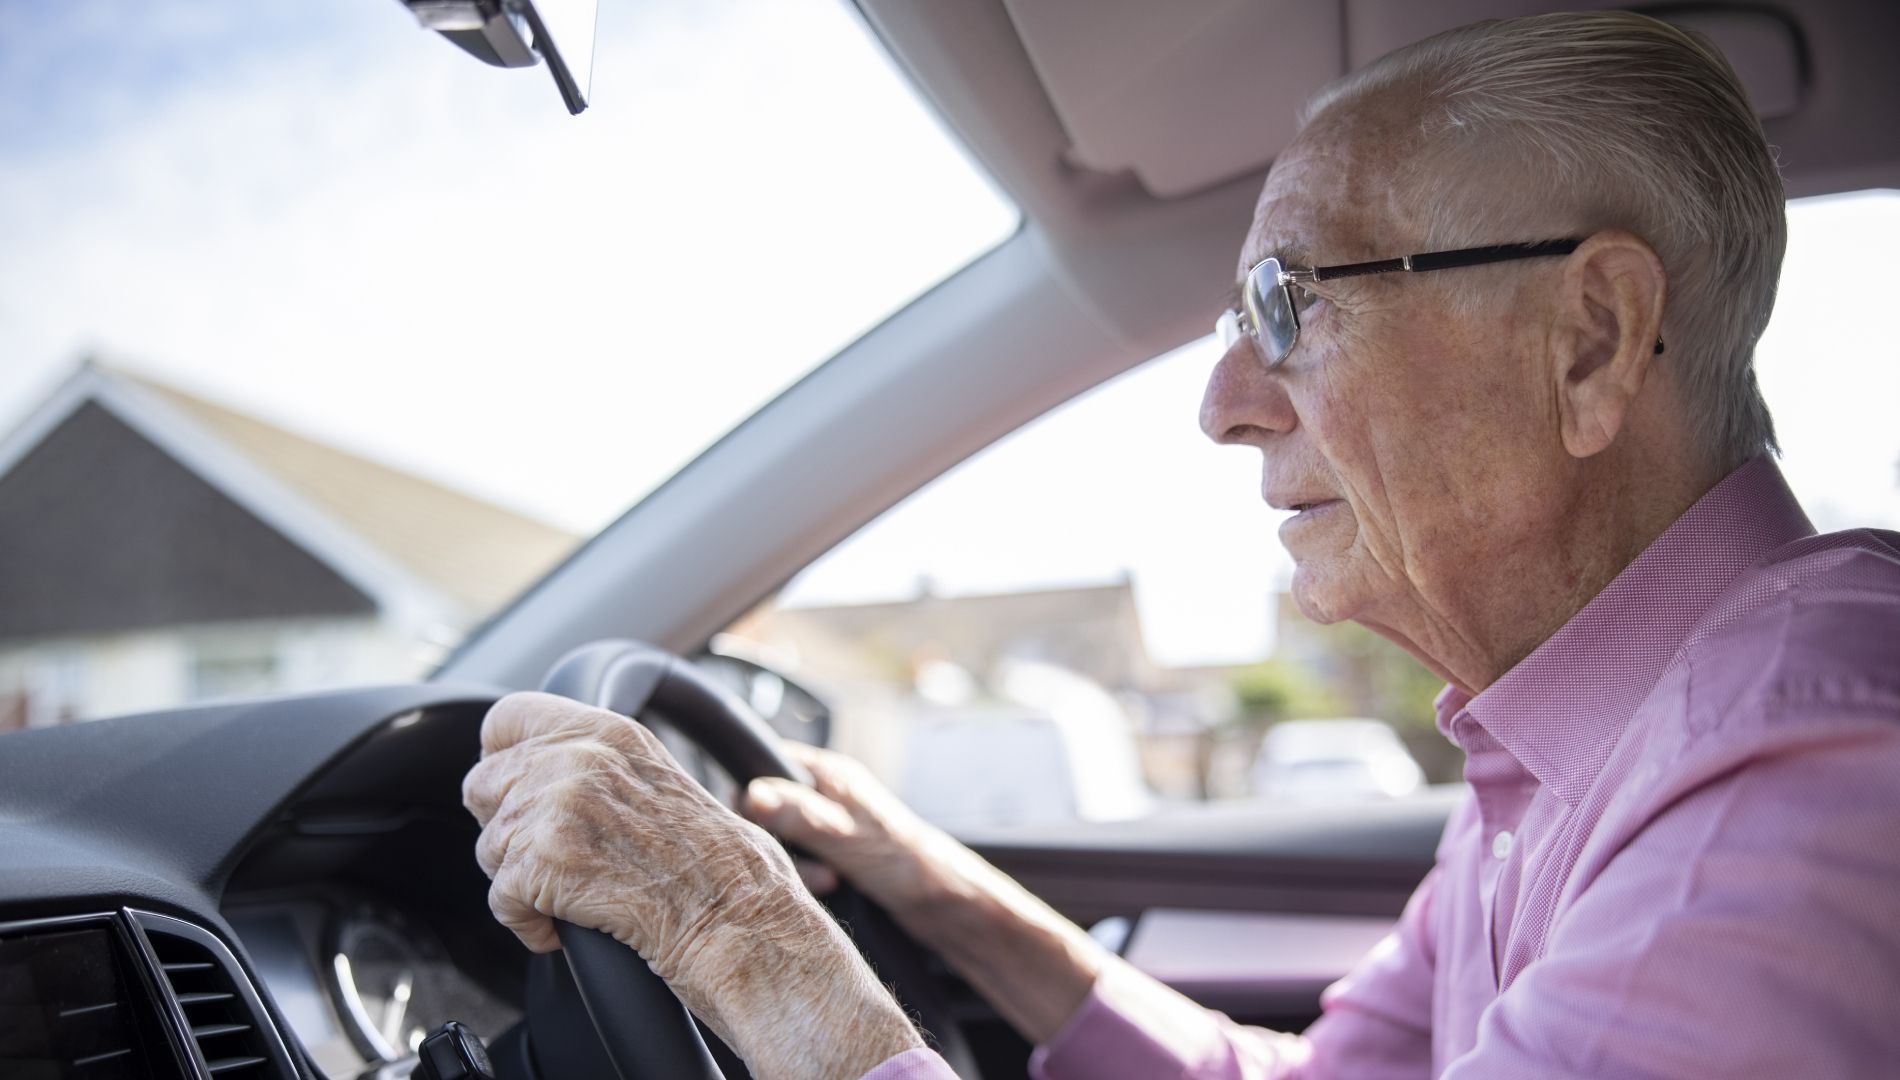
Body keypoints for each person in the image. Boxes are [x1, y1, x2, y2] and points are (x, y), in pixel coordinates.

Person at [460, 10, 1900, 1079]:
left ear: (1587, 343)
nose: (1224, 404)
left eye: (1290, 303)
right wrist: (935, 885)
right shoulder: (1580, 747)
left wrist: (743, 937)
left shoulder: (1797, 767)